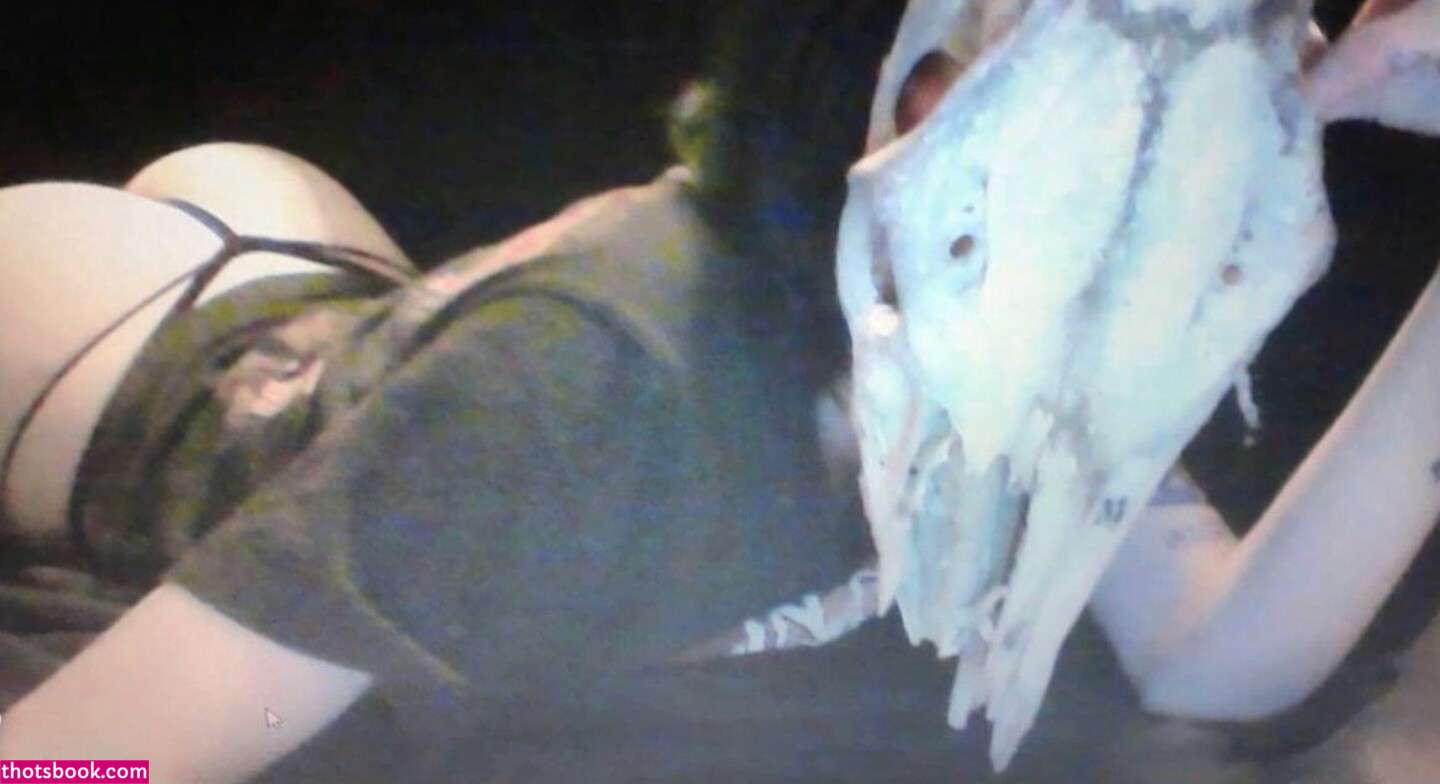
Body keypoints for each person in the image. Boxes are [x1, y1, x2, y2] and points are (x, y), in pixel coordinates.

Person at [0, 2, 1437, 782]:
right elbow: (75, 761)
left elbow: (1210, 656)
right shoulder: (603, 383)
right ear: (928, 100)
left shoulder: (1013, 335)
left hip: (349, 296)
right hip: (112, 346)